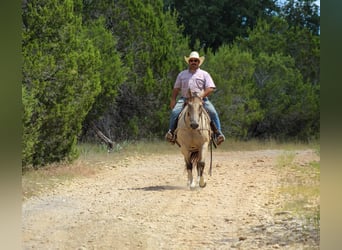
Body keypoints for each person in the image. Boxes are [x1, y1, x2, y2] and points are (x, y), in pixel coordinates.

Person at [165, 51, 225, 145]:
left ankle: (218, 134)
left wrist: (201, 96)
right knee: (175, 112)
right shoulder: (182, 74)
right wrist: (173, 100)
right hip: (185, 99)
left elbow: (210, 88)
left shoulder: (204, 74)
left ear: (198, 62)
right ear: (188, 62)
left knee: (212, 112)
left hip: (201, 100)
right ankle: (171, 133)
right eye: (191, 60)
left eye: (195, 60)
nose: (193, 62)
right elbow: (176, 88)